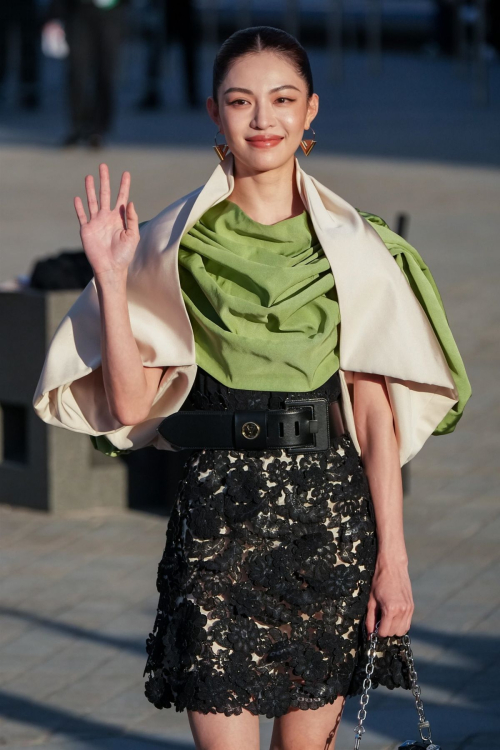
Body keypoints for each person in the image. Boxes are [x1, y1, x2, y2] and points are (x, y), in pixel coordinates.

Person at [33, 26, 471, 750]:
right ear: (214, 114)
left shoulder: (355, 246)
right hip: (216, 523)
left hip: (328, 523)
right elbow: (132, 407)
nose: (263, 119)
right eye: (242, 101)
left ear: (311, 112)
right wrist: (112, 281)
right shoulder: (175, 242)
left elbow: (374, 416)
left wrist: (393, 561)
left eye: (282, 99)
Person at [44, 0, 128, 148]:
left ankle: (98, 129)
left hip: (110, 14)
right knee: (77, 73)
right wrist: (54, 16)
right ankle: (77, 126)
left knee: (105, 73)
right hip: (78, 12)